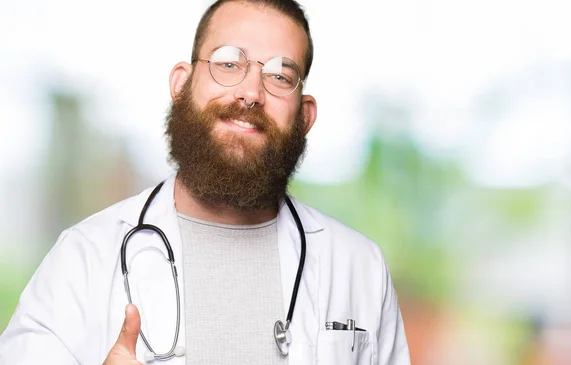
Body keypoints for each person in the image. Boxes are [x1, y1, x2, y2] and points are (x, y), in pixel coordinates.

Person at [0, 0, 411, 364]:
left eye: (280, 76)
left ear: (304, 117)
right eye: (228, 63)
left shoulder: (360, 268)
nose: (251, 92)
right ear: (181, 85)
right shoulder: (84, 258)